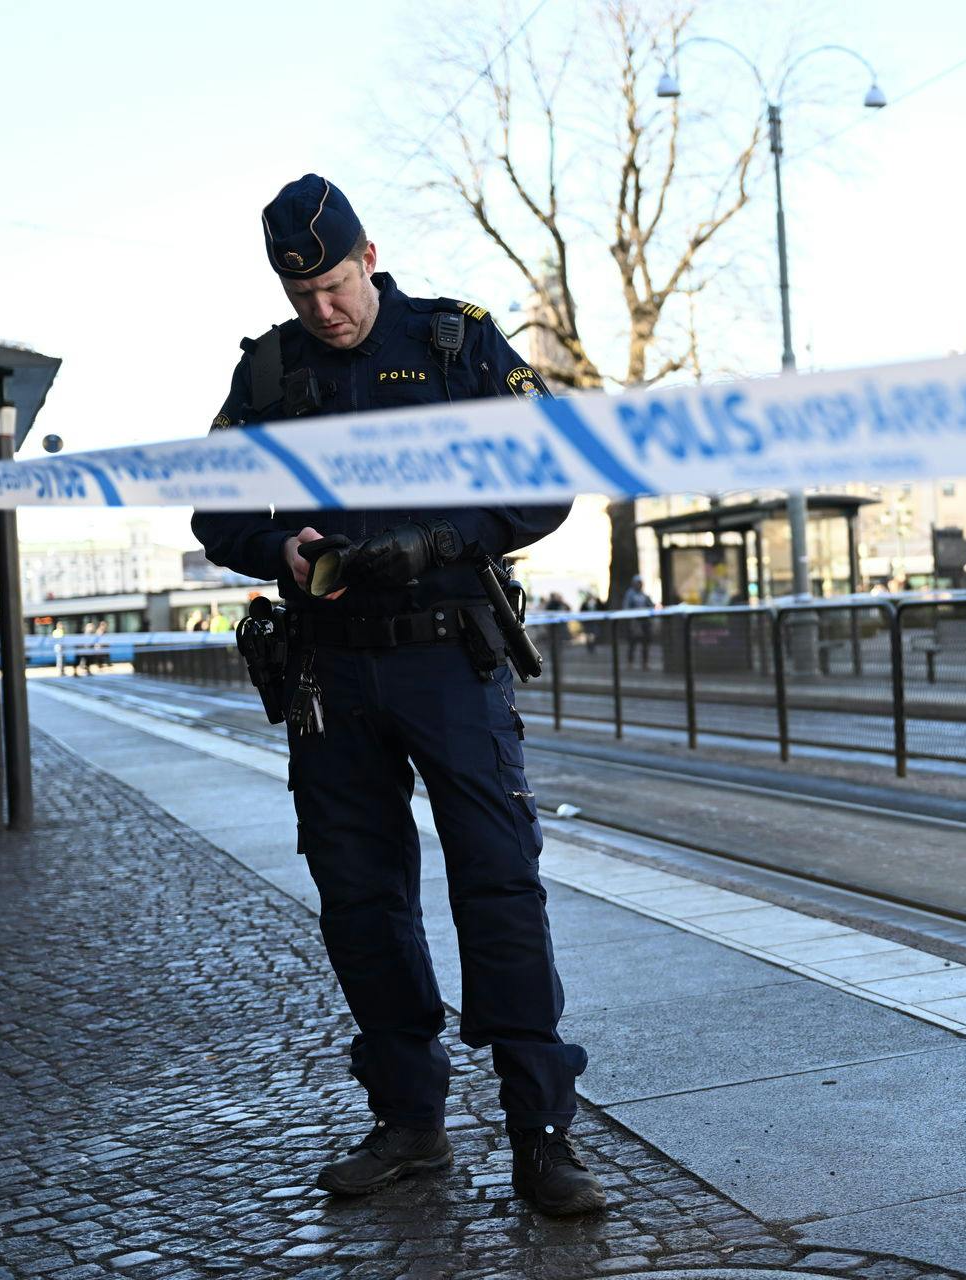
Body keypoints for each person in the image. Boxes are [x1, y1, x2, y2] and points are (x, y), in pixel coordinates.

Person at [189, 175, 602, 1215]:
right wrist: (276, 544)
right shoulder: (270, 371)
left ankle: (541, 1135)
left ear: (367, 257)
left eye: (333, 283)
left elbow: (547, 476)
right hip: (330, 664)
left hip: (447, 653)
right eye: (302, 294)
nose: (322, 309)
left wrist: (450, 539)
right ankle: (410, 1123)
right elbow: (216, 511)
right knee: (361, 899)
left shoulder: (457, 343)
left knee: (498, 885)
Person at [622, 575, 656, 669]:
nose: (639, 585)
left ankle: (645, 663)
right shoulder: (630, 594)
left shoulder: (644, 595)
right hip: (634, 623)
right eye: (638, 583)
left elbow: (651, 605)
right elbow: (626, 607)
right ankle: (630, 663)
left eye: (640, 583)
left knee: (645, 644)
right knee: (632, 644)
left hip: (645, 623)